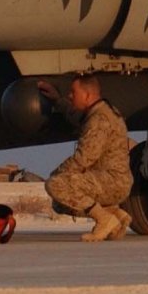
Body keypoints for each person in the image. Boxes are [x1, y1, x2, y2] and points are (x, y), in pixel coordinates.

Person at [39, 73, 134, 242]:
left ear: (87, 95)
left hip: (112, 182)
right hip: (114, 181)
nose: (70, 95)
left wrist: (58, 173)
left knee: (56, 185)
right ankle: (115, 216)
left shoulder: (99, 120)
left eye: (73, 92)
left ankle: (104, 220)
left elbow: (84, 159)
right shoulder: (101, 111)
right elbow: (77, 117)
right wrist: (57, 100)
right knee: (59, 202)